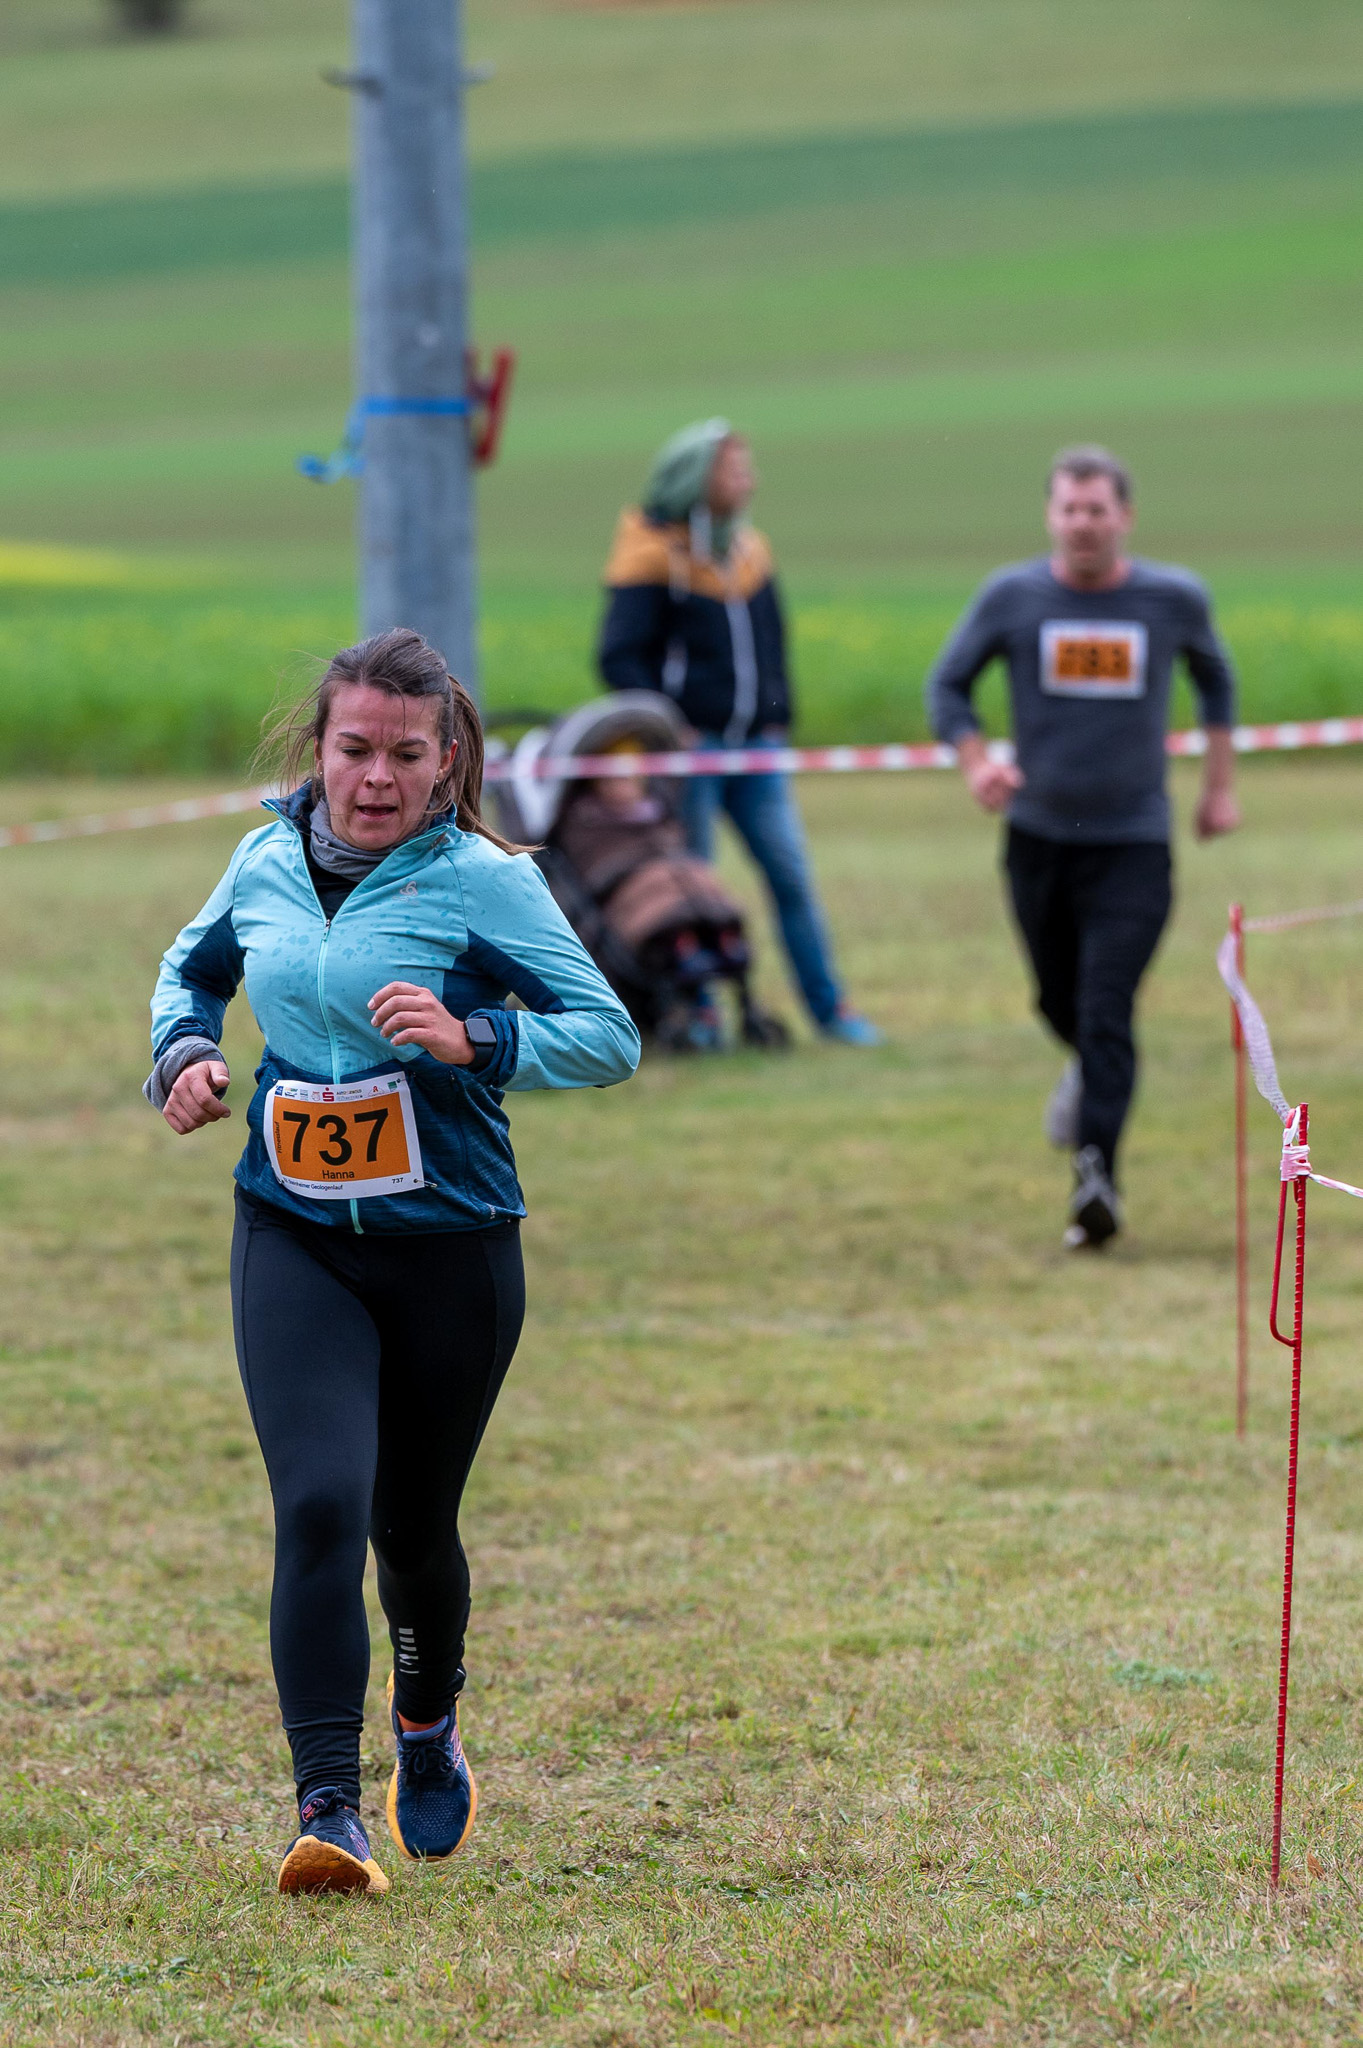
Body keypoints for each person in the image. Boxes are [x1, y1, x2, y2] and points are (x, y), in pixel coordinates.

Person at [145, 629, 640, 1895]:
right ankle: (328, 1807)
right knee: (319, 1502)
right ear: (318, 750)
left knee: (411, 1525)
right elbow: (189, 973)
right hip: (293, 1232)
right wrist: (183, 1056)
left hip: (450, 1248)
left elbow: (608, 1034)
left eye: (407, 754)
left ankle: (427, 1722)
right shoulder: (261, 860)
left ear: (447, 757)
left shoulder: (484, 881)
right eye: (355, 748)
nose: (377, 777)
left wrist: (477, 1037)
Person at [926, 445, 1239, 1249]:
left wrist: (1217, 787)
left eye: (1096, 509)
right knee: (1056, 1002)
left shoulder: (1171, 598)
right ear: (1050, 515)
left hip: (1133, 842)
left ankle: (1095, 1181)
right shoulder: (1012, 597)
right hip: (1038, 840)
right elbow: (947, 686)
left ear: (1123, 516)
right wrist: (977, 761)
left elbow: (1216, 681)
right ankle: (1091, 1076)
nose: (1082, 524)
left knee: (1105, 1007)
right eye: (1069, 509)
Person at [597, 417, 881, 1045]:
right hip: (691, 758)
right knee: (689, 887)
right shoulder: (648, 552)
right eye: (733, 468)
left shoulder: (750, 550)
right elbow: (619, 658)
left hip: (758, 751)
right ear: (695, 477)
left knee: (791, 877)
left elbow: (773, 642)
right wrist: (669, 729)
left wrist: (778, 716)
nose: (748, 479)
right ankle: (699, 1013)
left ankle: (831, 1010)